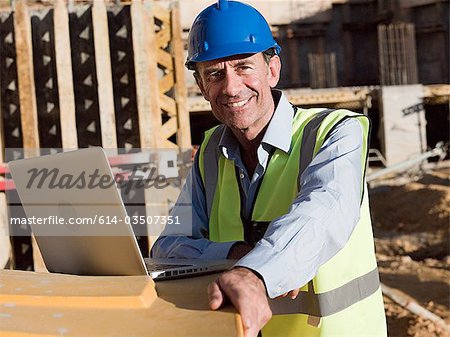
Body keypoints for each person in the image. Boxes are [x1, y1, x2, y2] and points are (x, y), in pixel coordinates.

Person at [151, 1, 387, 336]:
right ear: (202, 87)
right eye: (215, 74)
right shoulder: (209, 154)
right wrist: (237, 253)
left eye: (244, 67)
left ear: (272, 69)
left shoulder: (335, 133)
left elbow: (320, 215)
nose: (231, 87)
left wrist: (256, 273)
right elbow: (168, 248)